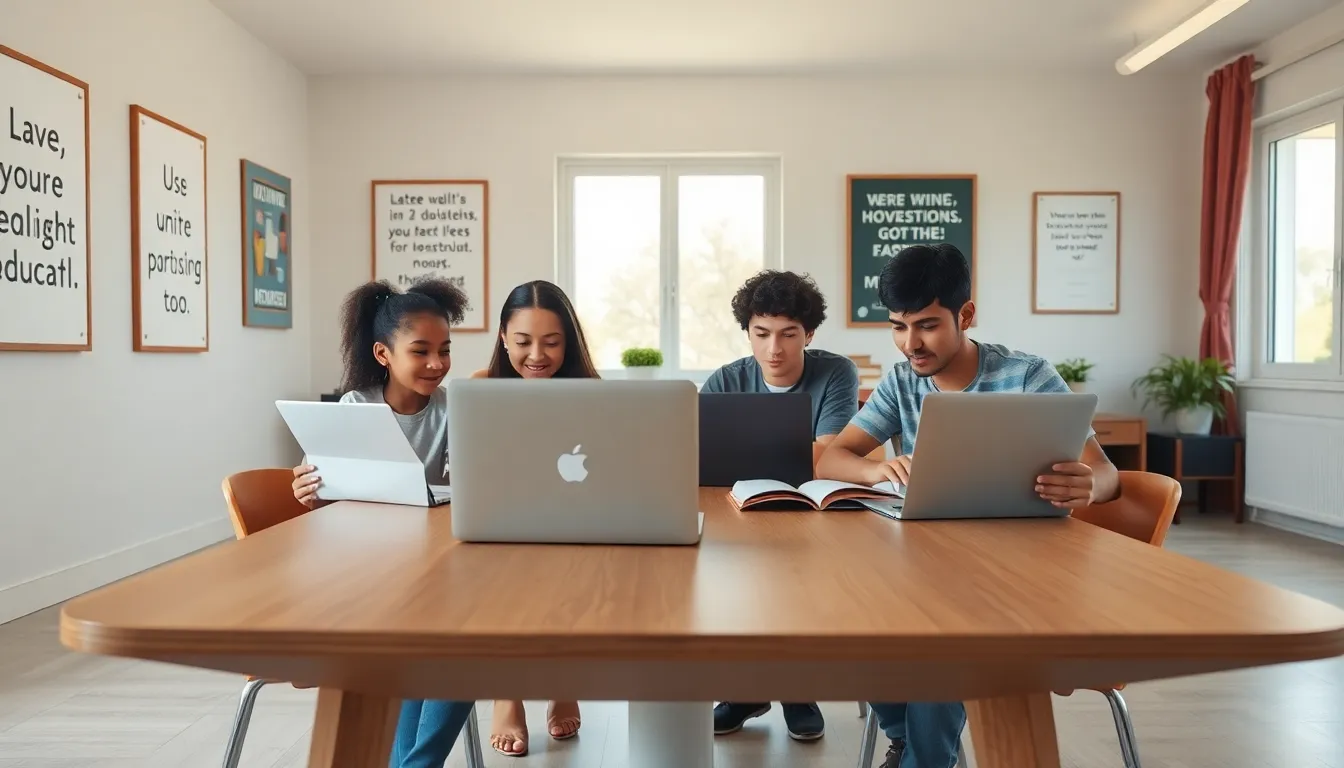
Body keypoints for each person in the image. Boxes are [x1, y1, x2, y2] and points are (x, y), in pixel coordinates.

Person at [817, 243, 1120, 767]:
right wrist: (876, 468)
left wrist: (1089, 485)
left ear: (967, 314)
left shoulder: (1027, 376)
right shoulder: (903, 381)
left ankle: (924, 758)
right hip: (927, 565)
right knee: (853, 621)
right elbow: (832, 459)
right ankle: (912, 744)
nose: (910, 343)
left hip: (1020, 574)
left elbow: (1108, 472)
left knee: (941, 643)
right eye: (897, 326)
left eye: (927, 325)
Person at [289, 277, 477, 768]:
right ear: (383, 353)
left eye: (445, 350)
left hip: (428, 577)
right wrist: (308, 493)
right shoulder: (355, 409)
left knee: (466, 631)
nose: (437, 363)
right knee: (450, 638)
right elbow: (327, 502)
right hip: (363, 582)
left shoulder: (455, 410)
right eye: (421, 351)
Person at [701, 269, 859, 742]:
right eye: (762, 334)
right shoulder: (725, 380)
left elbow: (828, 455)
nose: (775, 349)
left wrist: (744, 451)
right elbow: (697, 457)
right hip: (735, 512)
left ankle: (795, 689)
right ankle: (747, 690)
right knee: (728, 579)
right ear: (747, 332)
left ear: (808, 334)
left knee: (801, 576)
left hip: (813, 514)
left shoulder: (836, 372)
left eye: (789, 335)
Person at [477, 280, 598, 756]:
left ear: (568, 342)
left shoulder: (591, 393)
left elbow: (607, 469)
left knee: (567, 558)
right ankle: (508, 693)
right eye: (524, 342)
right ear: (504, 336)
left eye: (551, 342)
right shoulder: (481, 389)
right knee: (503, 562)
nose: (536, 356)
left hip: (573, 519)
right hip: (499, 521)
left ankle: (560, 676)